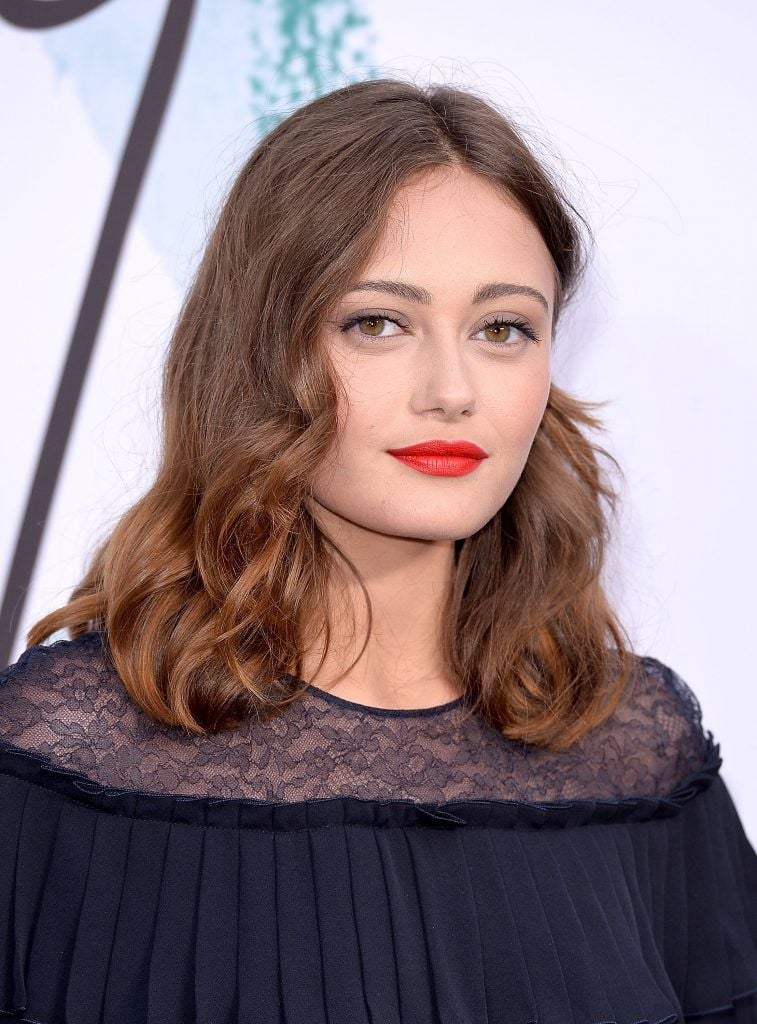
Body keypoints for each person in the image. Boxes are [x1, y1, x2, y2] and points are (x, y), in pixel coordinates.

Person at [1, 77, 755, 1024]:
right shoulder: (61, 761)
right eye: (377, 323)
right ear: (260, 355)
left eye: (502, 328)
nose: (452, 389)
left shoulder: (635, 757)